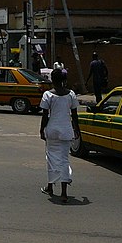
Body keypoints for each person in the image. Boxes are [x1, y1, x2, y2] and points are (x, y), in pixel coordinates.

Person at [39, 68, 81, 203]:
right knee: (64, 160)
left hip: (52, 130)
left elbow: (45, 115)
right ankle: (64, 193)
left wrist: (41, 130)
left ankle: (50, 187)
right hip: (66, 131)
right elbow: (74, 115)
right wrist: (77, 130)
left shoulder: (48, 95)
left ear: (52, 79)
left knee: (51, 159)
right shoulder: (71, 95)